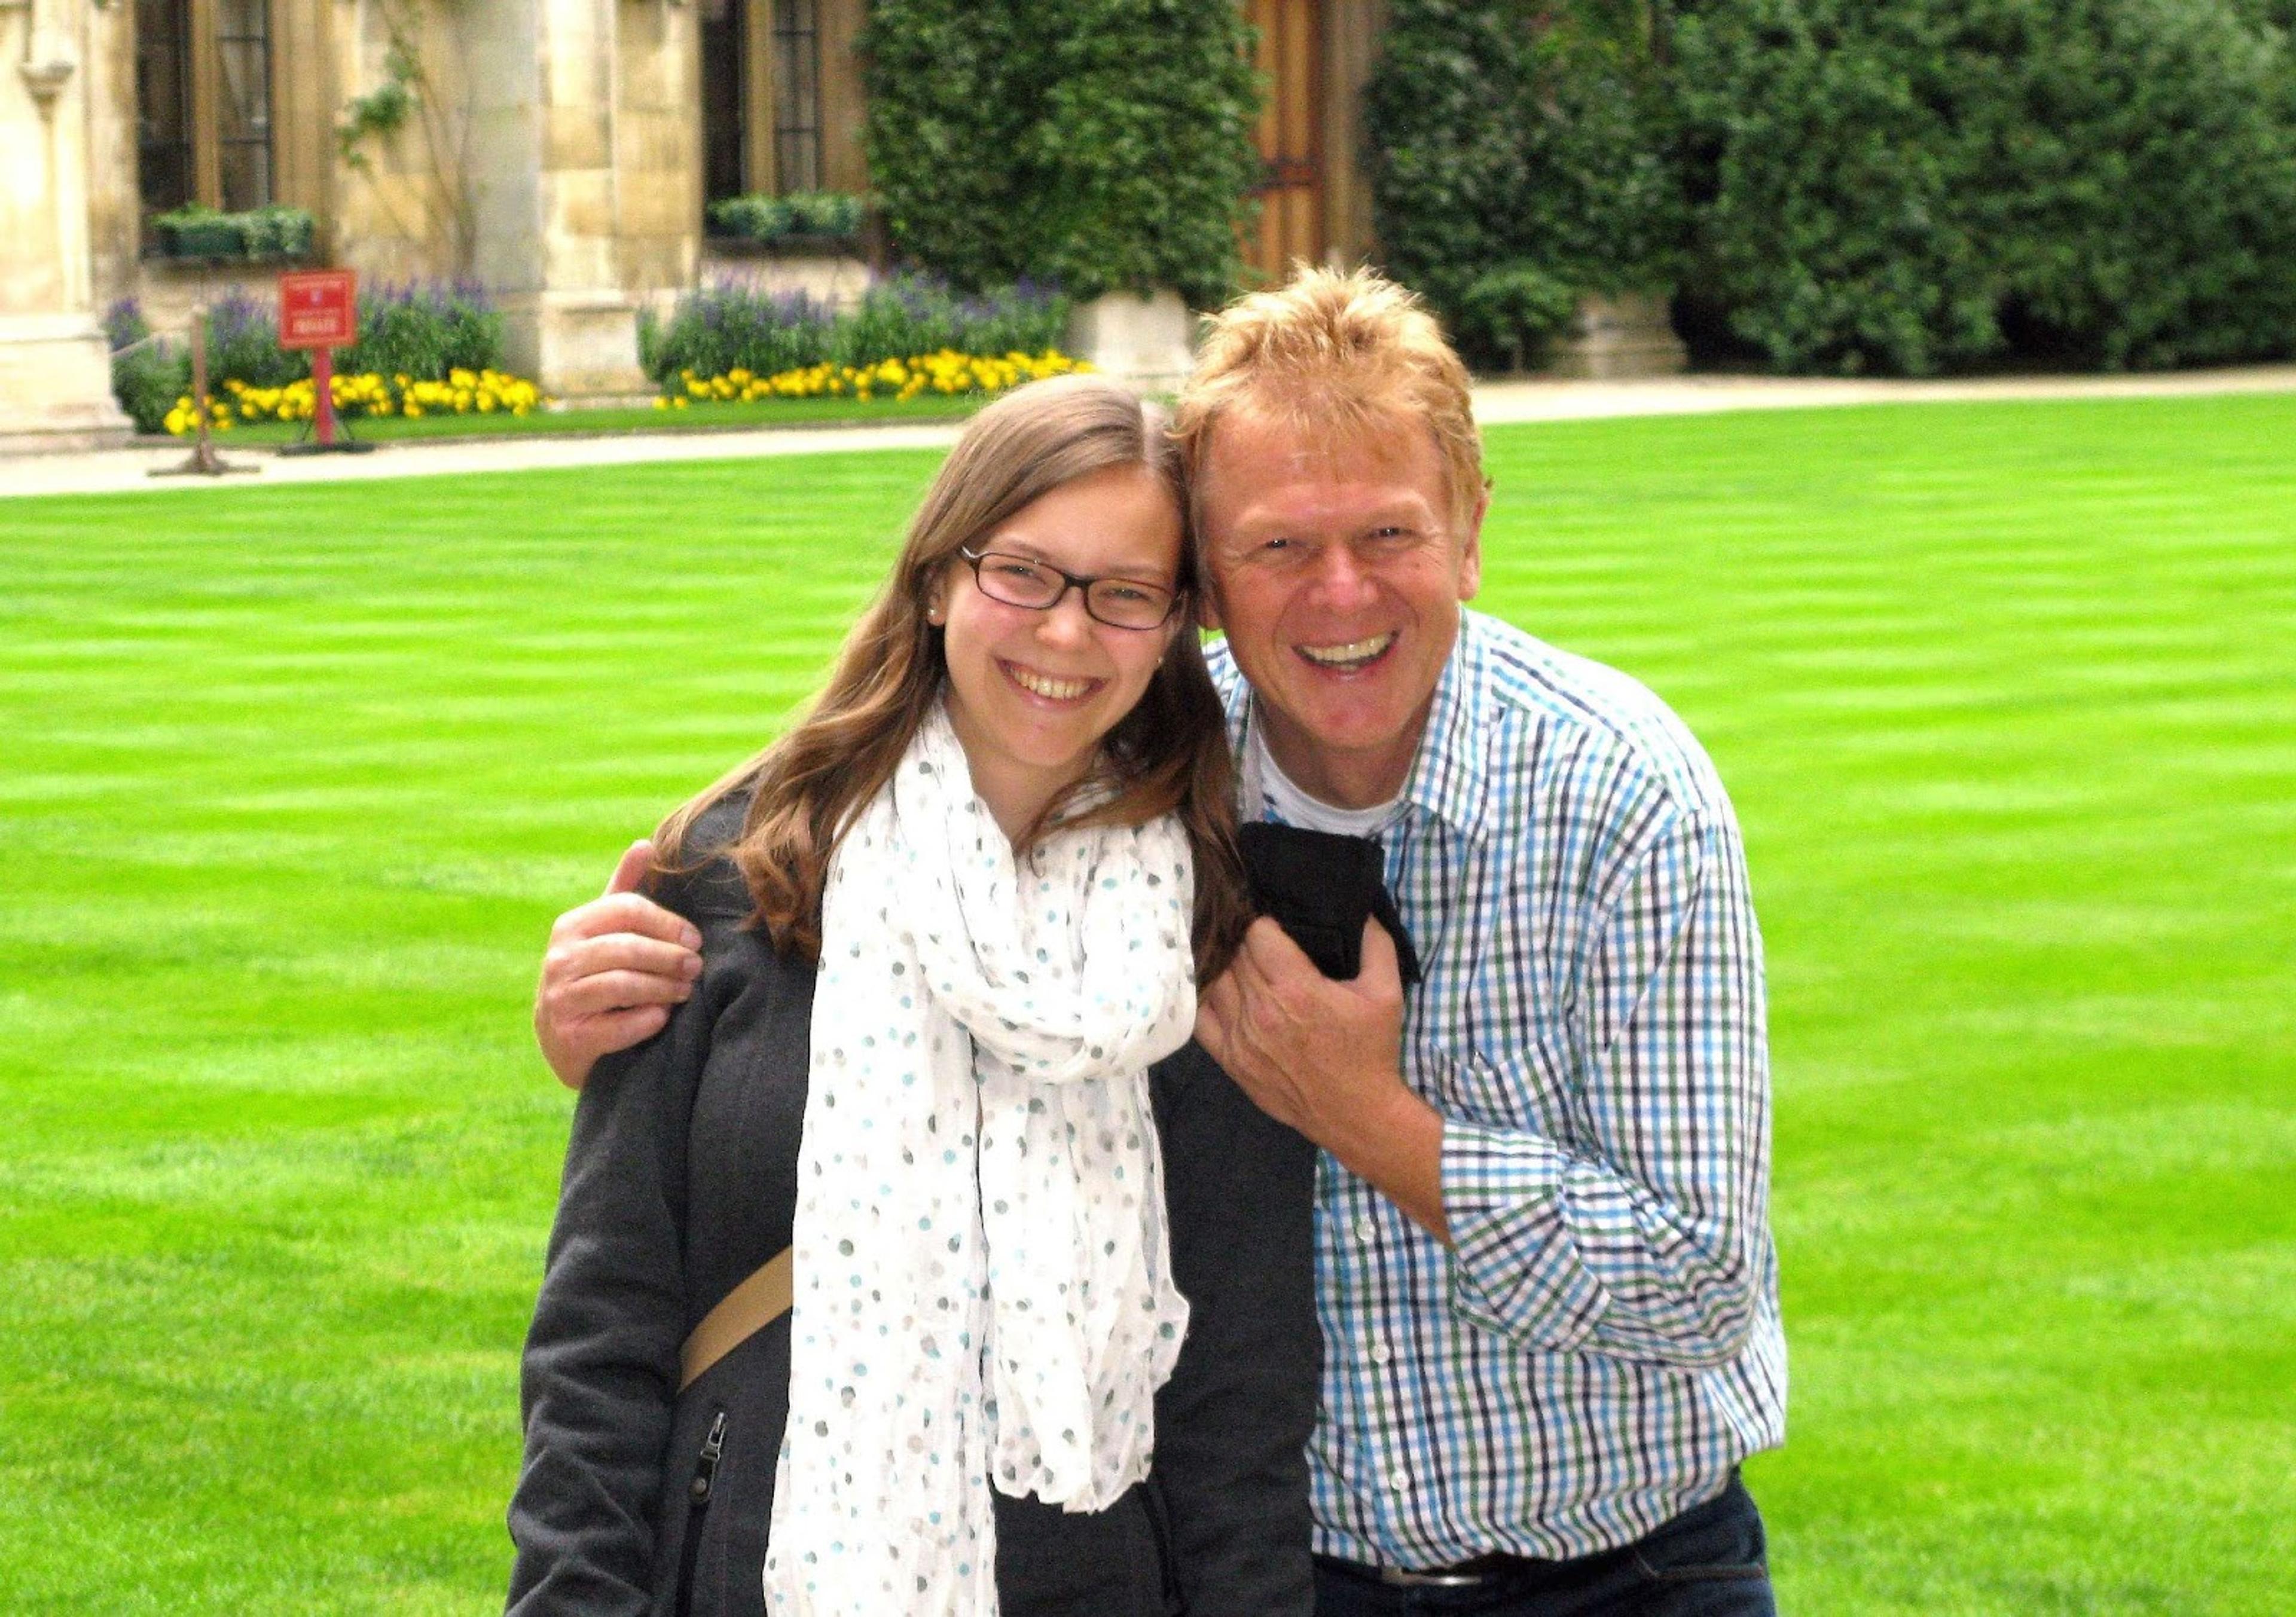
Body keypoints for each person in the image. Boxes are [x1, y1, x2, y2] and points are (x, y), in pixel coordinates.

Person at [538, 268, 1785, 1617]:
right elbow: (608, 1331)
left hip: (1623, 1570)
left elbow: (1696, 1285)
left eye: (1389, 533)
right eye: (1278, 548)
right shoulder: (828, 855)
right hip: (1193, 1565)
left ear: (1472, 533)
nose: (1339, 593)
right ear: (1207, 585)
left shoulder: (1584, 800)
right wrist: (618, 1034)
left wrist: (1366, 1115)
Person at [506, 374, 1321, 1617]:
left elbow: (1238, 1404)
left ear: (1172, 629)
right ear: (940, 577)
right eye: (1024, 573)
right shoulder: (726, 879)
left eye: (1123, 595)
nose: (1064, 632)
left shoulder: (1198, 936)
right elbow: (599, 1344)